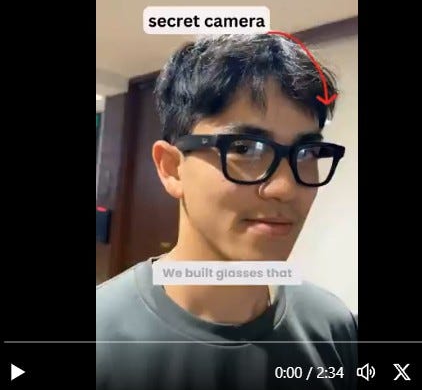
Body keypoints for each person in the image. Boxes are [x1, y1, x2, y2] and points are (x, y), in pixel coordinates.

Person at [96, 34, 357, 390]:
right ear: (172, 169)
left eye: (307, 152)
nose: (285, 188)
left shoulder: (333, 328)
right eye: (245, 148)